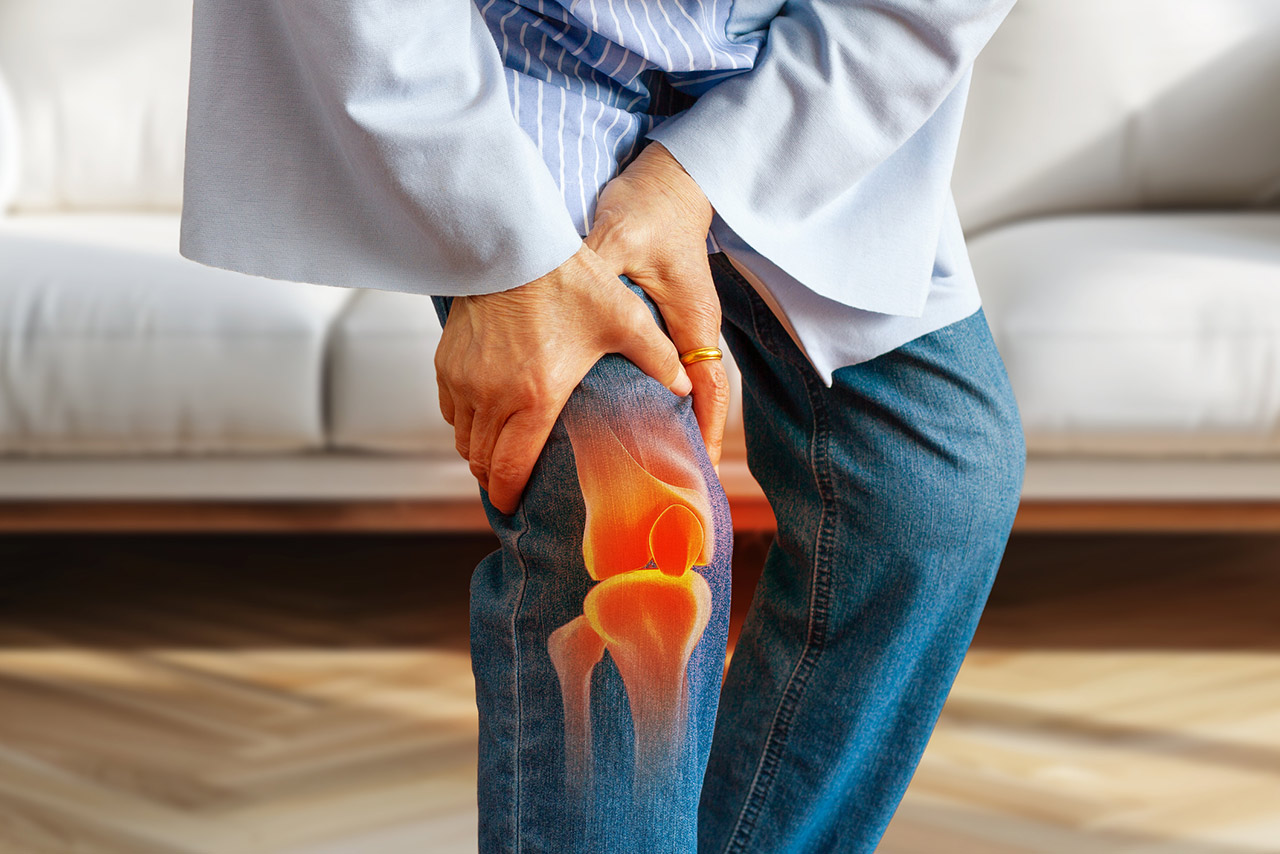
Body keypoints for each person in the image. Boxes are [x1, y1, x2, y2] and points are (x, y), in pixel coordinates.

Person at [178, 1, 1027, 850]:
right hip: (515, 87)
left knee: (938, 488)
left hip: (796, 78)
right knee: (626, 511)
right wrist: (504, 268)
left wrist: (696, 177)